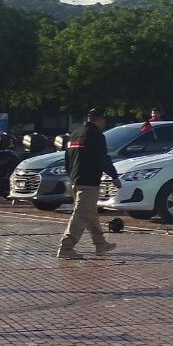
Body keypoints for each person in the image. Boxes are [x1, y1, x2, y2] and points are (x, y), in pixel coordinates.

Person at [57, 109, 119, 260]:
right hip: (89, 181)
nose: (104, 124)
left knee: (89, 213)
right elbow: (102, 158)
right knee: (81, 214)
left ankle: (100, 244)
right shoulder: (96, 136)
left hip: (76, 180)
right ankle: (66, 247)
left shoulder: (75, 134)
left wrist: (72, 176)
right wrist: (114, 176)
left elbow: (67, 159)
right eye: (104, 121)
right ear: (99, 120)